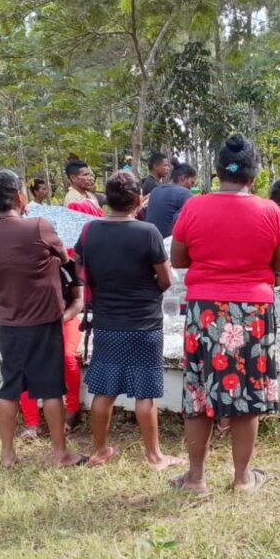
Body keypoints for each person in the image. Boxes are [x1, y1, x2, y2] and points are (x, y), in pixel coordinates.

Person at [170, 133, 280, 494]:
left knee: (198, 393)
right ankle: (242, 478)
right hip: (253, 308)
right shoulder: (269, 211)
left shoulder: (194, 207)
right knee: (248, 394)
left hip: (205, 309)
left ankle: (195, 478)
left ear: (217, 173)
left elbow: (178, 258)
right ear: (253, 177)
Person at [73, 171, 183, 471]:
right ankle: (155, 456)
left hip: (107, 322)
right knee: (145, 392)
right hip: (143, 323)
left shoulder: (90, 231)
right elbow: (165, 279)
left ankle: (99, 451)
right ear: (138, 200)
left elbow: (81, 266)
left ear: (107, 199)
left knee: (104, 390)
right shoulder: (147, 232)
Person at [0, 169, 86, 469]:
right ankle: (60, 453)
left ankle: (8, 454)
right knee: (51, 388)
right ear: (19, 197)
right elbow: (64, 259)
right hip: (44, 319)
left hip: (8, 321)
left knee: (10, 387)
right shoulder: (38, 226)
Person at [144, 162, 196, 239]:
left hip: (150, 241)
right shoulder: (185, 194)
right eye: (192, 183)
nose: (191, 188)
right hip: (168, 245)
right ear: (183, 178)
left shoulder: (155, 191)